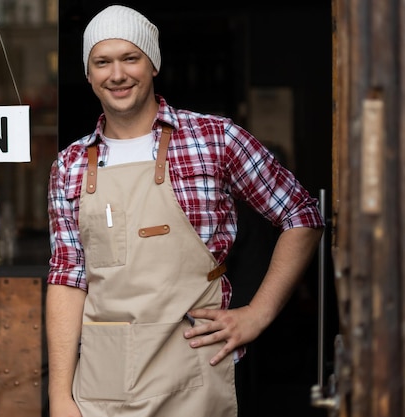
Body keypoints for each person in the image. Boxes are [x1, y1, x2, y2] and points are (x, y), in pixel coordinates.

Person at [46, 5, 325, 417]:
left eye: (130, 58)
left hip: (195, 376)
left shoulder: (215, 138)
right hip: (101, 387)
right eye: (102, 62)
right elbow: (68, 281)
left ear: (153, 63)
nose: (117, 74)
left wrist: (257, 314)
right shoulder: (69, 165)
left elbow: (302, 214)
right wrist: (60, 397)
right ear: (88, 74)